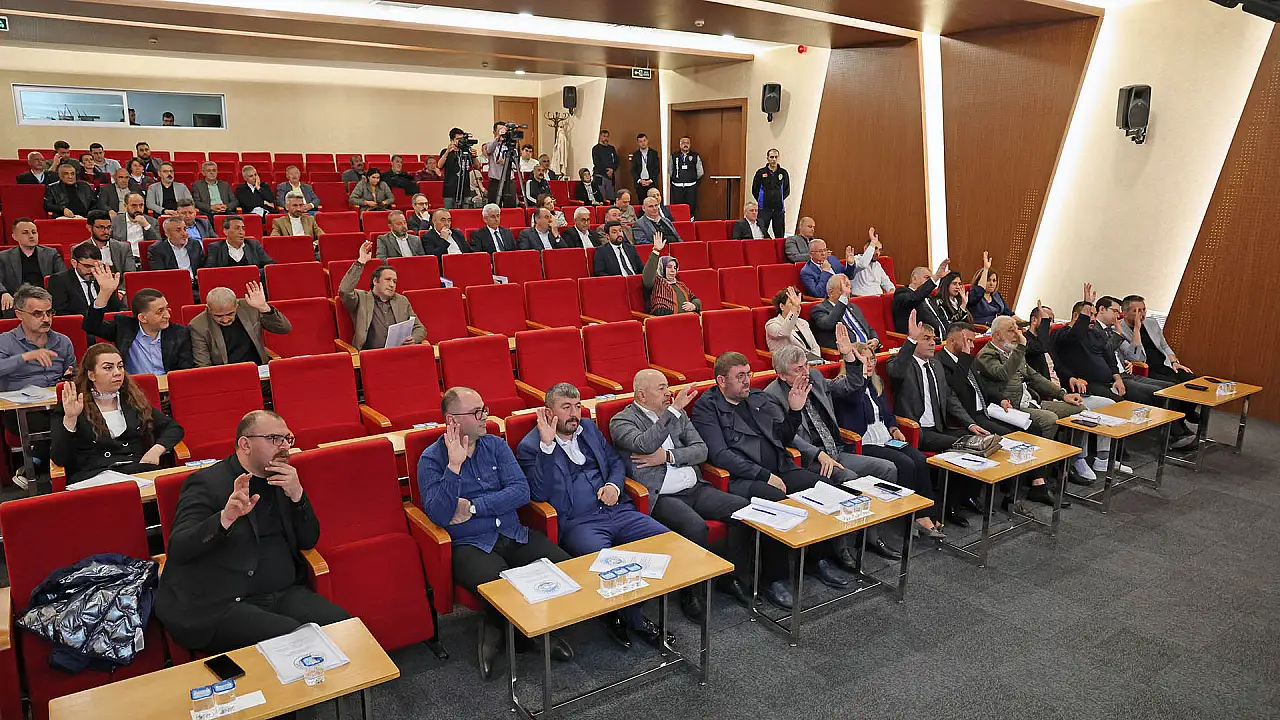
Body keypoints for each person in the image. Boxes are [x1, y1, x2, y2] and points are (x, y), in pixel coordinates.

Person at [155, 409, 350, 654]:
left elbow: (308, 539)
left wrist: (298, 496)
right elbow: (179, 548)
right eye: (274, 439)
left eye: (287, 439)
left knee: (344, 629)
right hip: (225, 600)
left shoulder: (284, 479)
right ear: (245, 445)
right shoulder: (208, 482)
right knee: (297, 643)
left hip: (284, 593)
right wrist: (224, 519)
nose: (284, 447)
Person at [417, 387, 574, 679]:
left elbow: (521, 491)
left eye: (484, 409)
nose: (485, 417)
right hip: (470, 544)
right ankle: (528, 636)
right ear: (452, 420)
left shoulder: (496, 445)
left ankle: (497, 627)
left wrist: (474, 507)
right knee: (502, 587)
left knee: (565, 566)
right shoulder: (431, 459)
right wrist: (454, 467)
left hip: (513, 533)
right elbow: (439, 515)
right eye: (477, 412)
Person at [690, 352, 852, 609]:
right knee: (776, 502)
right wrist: (764, 476)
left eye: (748, 373)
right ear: (721, 381)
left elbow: (783, 437)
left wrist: (795, 412)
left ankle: (818, 558)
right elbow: (720, 455)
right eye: (739, 376)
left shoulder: (758, 397)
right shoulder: (707, 407)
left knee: (823, 488)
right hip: (742, 478)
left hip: (779, 467)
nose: (747, 380)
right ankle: (773, 579)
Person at [516, 383, 672, 649]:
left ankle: (620, 612)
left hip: (617, 510)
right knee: (608, 564)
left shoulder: (588, 428)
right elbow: (538, 493)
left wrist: (613, 486)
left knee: (666, 542)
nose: (574, 414)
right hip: (579, 522)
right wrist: (547, 446)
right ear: (548, 412)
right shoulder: (531, 446)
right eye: (566, 407)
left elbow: (614, 462)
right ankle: (635, 620)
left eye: (577, 406)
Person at [609, 370, 761, 620]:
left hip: (695, 488)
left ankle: (730, 576)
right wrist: (673, 411)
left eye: (667, 387)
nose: (668, 393)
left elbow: (701, 450)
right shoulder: (622, 421)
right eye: (661, 388)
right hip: (662, 496)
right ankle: (691, 592)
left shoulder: (677, 414)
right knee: (695, 526)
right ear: (642, 395)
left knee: (741, 509)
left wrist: (669, 456)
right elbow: (645, 444)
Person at [764, 343, 908, 561]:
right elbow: (788, 437)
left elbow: (851, 385)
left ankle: (870, 535)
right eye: (798, 369)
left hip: (835, 449)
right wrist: (818, 454)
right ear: (782, 375)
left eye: (806, 365)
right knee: (848, 477)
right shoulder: (772, 396)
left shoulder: (815, 378)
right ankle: (840, 548)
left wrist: (849, 357)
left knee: (887, 469)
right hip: (809, 459)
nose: (805, 372)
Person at [835, 338, 946, 539]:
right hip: (865, 442)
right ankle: (908, 518)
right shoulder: (845, 387)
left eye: (872, 359)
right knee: (905, 464)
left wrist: (894, 428)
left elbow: (886, 414)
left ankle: (926, 513)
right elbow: (853, 403)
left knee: (919, 459)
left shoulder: (876, 384)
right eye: (864, 360)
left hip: (886, 438)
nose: (869, 364)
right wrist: (859, 377)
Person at [1057, 289, 1196, 447]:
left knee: (1170, 390)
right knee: (1151, 395)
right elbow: (1085, 343)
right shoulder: (1069, 334)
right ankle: (1169, 437)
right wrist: (1118, 333)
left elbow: (1112, 355)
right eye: (1115, 311)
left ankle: (1178, 430)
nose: (1119, 316)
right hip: (1099, 381)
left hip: (1122, 374)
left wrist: (1119, 371)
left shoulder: (1099, 332)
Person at [974, 316, 1089, 499]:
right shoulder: (987, 355)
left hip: (1030, 400)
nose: (1017, 334)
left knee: (1078, 410)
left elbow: (1035, 377)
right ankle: (1039, 474)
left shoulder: (1014, 351)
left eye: (1017, 329)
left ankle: (1068, 464)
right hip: (1010, 408)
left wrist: (1062, 394)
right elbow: (1003, 374)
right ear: (997, 335)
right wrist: (1020, 347)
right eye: (1011, 330)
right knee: (1049, 420)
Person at [51, 342, 180, 486]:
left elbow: (173, 428)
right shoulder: (72, 403)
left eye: (120, 366)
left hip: (137, 471)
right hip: (93, 477)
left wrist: (156, 450)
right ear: (92, 375)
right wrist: (70, 419)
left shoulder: (132, 400)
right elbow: (59, 459)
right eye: (108, 368)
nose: (117, 372)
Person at [0, 285, 77, 488]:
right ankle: (54, 468)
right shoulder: (5, 341)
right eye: (37, 314)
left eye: (49, 312)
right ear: (19, 314)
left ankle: (36, 464)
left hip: (56, 403)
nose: (46, 319)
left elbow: (75, 372)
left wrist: (69, 376)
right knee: (59, 421)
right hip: (20, 409)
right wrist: (26, 357)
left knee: (72, 414)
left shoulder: (62, 342)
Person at [84, 266, 194, 374]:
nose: (167, 315)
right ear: (142, 318)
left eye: (166, 308)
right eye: (160, 311)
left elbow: (184, 372)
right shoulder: (124, 327)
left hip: (165, 384)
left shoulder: (179, 333)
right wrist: (104, 294)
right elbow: (91, 326)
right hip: (133, 384)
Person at [338, 241, 425, 349]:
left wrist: (414, 338)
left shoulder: (402, 300)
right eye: (388, 279)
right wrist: (361, 262)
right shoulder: (361, 298)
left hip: (399, 351)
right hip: (370, 354)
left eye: (394, 281)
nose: (392, 285)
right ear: (375, 281)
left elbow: (420, 328)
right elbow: (344, 290)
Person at [189, 283, 291, 367]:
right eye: (218, 316)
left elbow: (284, 328)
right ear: (208, 309)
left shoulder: (251, 307)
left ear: (236, 305)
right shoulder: (198, 326)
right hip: (225, 374)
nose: (225, 320)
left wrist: (264, 308)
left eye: (230, 314)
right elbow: (203, 365)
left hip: (258, 368)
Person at [1118, 295, 1197, 385]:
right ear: (1125, 313)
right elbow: (1134, 358)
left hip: (1164, 365)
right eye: (1137, 311)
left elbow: (1164, 345)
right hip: (1146, 370)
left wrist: (1174, 362)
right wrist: (1137, 329)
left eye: (1144, 309)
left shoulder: (1151, 322)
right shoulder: (1118, 331)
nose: (1142, 313)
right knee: (1176, 386)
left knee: (1193, 379)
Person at [0, 219, 67, 312]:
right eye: (25, 233)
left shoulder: (51, 254)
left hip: (46, 299)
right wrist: (4, 293)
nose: (31, 236)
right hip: (17, 301)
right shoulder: (3, 257)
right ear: (14, 237)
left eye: (34, 232)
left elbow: (63, 277)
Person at [51, 242, 126, 319]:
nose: (92, 270)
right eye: (87, 266)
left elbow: (115, 310)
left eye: (96, 266)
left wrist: (107, 291)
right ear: (74, 263)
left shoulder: (103, 279)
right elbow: (62, 315)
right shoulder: (59, 281)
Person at [809, 274, 879, 352]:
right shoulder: (819, 309)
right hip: (847, 353)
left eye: (849, 288)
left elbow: (868, 328)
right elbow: (828, 323)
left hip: (869, 351)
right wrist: (843, 298)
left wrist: (875, 340)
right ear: (831, 292)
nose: (848, 292)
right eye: (843, 289)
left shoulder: (853, 307)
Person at [641, 234, 699, 315]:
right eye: (669, 267)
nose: (673, 270)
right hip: (666, 320)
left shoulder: (680, 285)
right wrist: (656, 251)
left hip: (687, 319)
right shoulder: (656, 282)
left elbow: (695, 299)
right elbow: (647, 276)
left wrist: (694, 305)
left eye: (675, 268)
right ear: (662, 268)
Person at [892, 259, 951, 337]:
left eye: (930, 279)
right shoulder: (902, 293)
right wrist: (936, 277)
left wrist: (951, 333)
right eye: (927, 278)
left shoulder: (929, 297)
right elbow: (915, 298)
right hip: (920, 338)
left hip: (940, 337)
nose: (929, 281)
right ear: (914, 279)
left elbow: (941, 318)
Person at [765, 286, 822, 362]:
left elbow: (814, 346)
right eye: (792, 303)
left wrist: (816, 360)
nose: (798, 307)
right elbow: (784, 332)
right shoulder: (772, 324)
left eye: (799, 304)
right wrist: (794, 308)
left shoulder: (803, 322)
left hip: (811, 361)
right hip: (789, 363)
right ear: (782, 306)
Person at [204, 216, 274, 269]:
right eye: (237, 228)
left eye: (243, 229)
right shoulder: (215, 247)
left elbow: (270, 266)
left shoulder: (253, 245)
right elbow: (209, 271)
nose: (241, 232)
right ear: (225, 231)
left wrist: (256, 273)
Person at [149, 216, 205, 282]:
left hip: (195, 284)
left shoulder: (194, 244)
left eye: (185, 229)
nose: (184, 234)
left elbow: (202, 266)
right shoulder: (157, 249)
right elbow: (160, 275)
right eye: (178, 230)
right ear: (167, 234)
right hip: (173, 284)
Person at [967, 251, 1015, 326]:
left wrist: (1024, 322)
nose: (991, 284)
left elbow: (1009, 313)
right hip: (978, 328)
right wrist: (986, 269)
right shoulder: (974, 295)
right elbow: (980, 290)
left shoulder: (996, 295)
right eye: (988, 280)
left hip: (994, 327)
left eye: (994, 281)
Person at [751, 149, 790, 239]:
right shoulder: (760, 172)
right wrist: (762, 200)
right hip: (764, 209)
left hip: (778, 210)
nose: (774, 159)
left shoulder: (783, 173)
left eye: (776, 157)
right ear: (767, 158)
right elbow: (755, 190)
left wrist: (778, 199)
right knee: (761, 234)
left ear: (778, 158)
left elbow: (786, 190)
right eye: (771, 157)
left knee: (779, 235)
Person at [847, 227, 895, 297]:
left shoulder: (877, 265)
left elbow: (887, 282)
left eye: (880, 250)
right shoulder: (855, 260)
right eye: (875, 248)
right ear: (866, 248)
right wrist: (872, 243)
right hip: (863, 298)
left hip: (879, 298)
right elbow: (863, 265)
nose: (878, 253)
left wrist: (891, 290)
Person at [111, 192, 158, 257]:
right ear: (125, 206)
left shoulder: (153, 222)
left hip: (145, 258)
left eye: (141, 205)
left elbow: (158, 244)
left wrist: (146, 225)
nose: (138, 209)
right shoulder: (114, 221)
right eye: (134, 205)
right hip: (123, 258)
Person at [483, 122, 518, 208]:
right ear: (494, 132)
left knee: (510, 207)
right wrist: (498, 137)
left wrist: (505, 162)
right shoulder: (491, 144)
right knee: (493, 207)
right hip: (495, 181)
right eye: (500, 130)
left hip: (509, 181)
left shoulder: (511, 147)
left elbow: (517, 166)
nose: (503, 132)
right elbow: (489, 150)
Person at [669, 136, 704, 219]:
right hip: (677, 187)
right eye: (683, 143)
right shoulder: (674, 156)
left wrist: (691, 178)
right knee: (678, 208)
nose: (685, 145)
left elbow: (700, 172)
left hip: (691, 186)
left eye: (687, 143)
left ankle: (690, 222)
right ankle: (678, 223)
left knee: (691, 207)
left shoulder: (695, 156)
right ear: (680, 144)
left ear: (690, 144)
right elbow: (670, 170)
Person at [630, 133, 661, 201]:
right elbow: (633, 170)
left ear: (647, 141)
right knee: (642, 202)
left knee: (653, 202)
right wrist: (640, 180)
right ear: (638, 143)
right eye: (640, 141)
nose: (643, 143)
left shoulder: (654, 153)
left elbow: (657, 169)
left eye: (644, 140)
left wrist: (650, 180)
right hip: (640, 184)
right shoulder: (635, 155)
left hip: (651, 183)